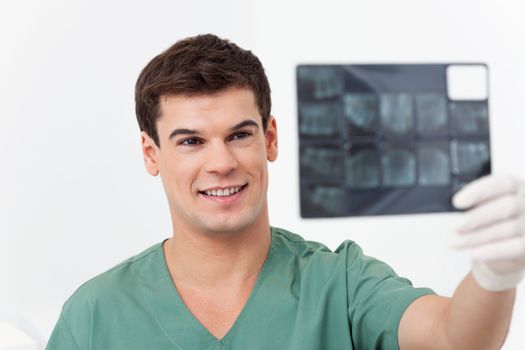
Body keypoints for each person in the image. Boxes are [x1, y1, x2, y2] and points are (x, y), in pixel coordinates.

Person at [46, 34, 525, 350]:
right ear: (151, 154)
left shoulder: (341, 285)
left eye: (240, 135)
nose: (221, 163)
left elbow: (454, 336)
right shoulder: (94, 316)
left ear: (270, 138)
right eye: (191, 141)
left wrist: (495, 274)